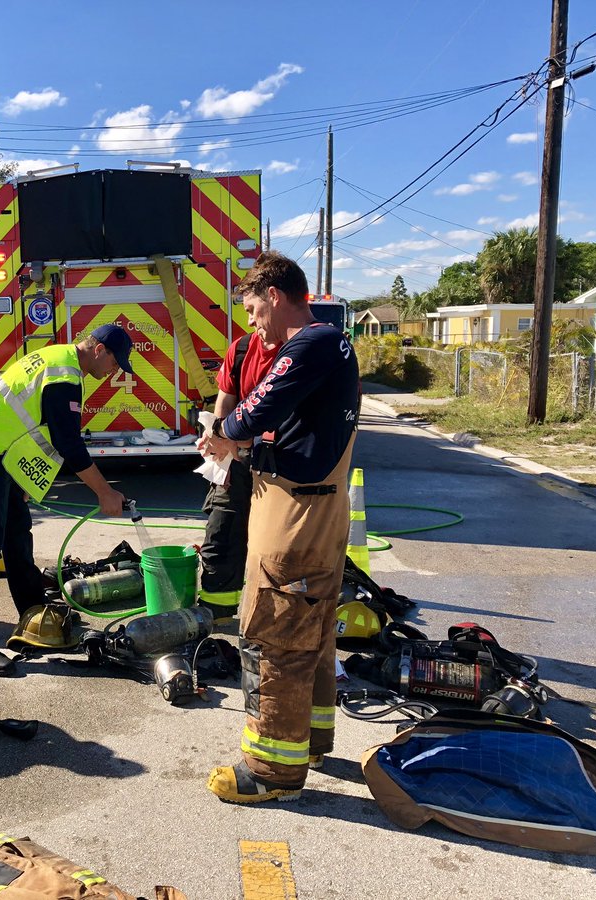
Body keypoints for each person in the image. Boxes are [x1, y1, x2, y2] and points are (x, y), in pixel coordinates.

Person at [197, 251, 358, 804]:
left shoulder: (309, 343)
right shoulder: (329, 343)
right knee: (310, 629)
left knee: (278, 632)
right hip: (315, 503)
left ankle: (272, 770)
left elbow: (255, 411)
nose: (253, 321)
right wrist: (241, 441)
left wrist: (226, 432)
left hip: (297, 511)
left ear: (276, 294)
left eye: (254, 308)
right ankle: (311, 738)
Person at [0, 324, 131, 677]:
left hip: (2, 456)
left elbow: (36, 427)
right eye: (115, 363)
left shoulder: (62, 363)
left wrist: (21, 479)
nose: (114, 372)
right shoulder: (65, 371)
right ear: (99, 349)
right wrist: (104, 492)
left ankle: (35, 619)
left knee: (17, 537)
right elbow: (68, 443)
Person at [197, 322, 277, 623]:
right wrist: (221, 448)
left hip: (278, 462)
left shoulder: (296, 352)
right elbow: (226, 399)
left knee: (275, 545)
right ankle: (218, 612)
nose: (252, 319)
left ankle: (271, 614)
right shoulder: (242, 349)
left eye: (253, 310)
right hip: (238, 453)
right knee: (222, 530)